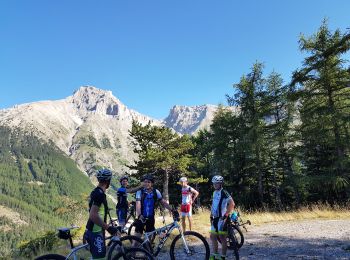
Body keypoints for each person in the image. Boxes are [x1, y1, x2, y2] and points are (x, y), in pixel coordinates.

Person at [84, 168, 119, 260]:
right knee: (99, 258)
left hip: (95, 229)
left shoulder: (96, 191)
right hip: (96, 231)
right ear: (108, 181)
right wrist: (108, 228)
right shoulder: (99, 194)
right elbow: (93, 215)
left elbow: (97, 210)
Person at [209, 175, 235, 260]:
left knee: (222, 237)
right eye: (214, 183)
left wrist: (226, 214)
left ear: (221, 184)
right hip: (215, 218)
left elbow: (232, 204)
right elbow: (214, 204)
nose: (215, 185)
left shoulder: (224, 192)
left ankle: (223, 257)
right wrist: (211, 214)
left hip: (222, 218)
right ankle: (215, 255)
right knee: (212, 236)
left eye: (217, 183)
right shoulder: (214, 192)